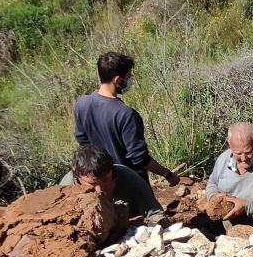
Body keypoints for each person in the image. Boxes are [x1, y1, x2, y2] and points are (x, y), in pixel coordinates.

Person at [73, 51, 181, 186]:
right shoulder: (126, 114)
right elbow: (139, 158)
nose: (129, 81)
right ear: (118, 80)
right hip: (130, 184)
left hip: (101, 183)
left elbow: (83, 143)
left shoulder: (81, 104)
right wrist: (167, 174)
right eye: (128, 77)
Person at [59, 145, 165, 222]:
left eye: (105, 180)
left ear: (112, 171)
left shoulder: (128, 177)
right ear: (77, 177)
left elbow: (155, 213)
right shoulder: (65, 189)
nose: (99, 190)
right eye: (92, 184)